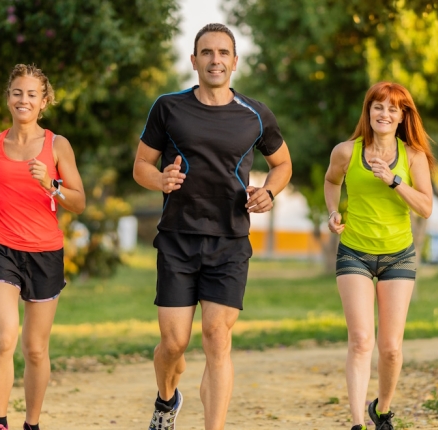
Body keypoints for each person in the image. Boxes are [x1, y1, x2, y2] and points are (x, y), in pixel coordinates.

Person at [133, 23, 292, 430]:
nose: (215, 59)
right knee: (174, 343)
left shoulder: (254, 114)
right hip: (177, 239)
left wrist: (269, 194)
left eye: (223, 53)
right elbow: (141, 166)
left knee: (217, 336)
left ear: (234, 62)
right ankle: (167, 401)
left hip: (230, 239)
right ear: (194, 60)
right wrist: (160, 180)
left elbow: (282, 164)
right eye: (207, 52)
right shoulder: (168, 107)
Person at [0, 64, 85, 430]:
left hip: (45, 253)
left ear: (44, 101)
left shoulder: (57, 145)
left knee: (35, 349)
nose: (24, 99)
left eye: (32, 94)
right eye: (17, 92)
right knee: (5, 338)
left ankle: (31, 424)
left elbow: (78, 202)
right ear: (8, 98)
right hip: (1, 247)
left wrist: (52, 184)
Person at [323, 82, 434, 430]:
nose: (384, 114)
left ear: (402, 117)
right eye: (378, 107)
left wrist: (394, 181)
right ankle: (357, 423)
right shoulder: (346, 152)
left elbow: (426, 208)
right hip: (354, 252)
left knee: (390, 349)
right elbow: (331, 182)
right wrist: (332, 212)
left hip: (398, 256)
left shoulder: (413, 157)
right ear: (368, 111)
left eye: (392, 109)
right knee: (361, 341)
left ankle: (381, 409)